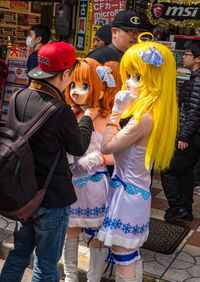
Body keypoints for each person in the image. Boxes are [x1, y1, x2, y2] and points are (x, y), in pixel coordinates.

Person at [0, 42, 97, 282]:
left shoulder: (18, 96)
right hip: (51, 197)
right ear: (65, 74)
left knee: (19, 254)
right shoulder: (60, 110)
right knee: (46, 265)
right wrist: (87, 118)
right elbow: (79, 147)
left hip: (23, 194)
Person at [97, 36, 178, 281]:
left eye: (138, 77)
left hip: (127, 197)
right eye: (129, 75)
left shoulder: (143, 118)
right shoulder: (156, 113)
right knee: (131, 255)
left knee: (124, 259)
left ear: (155, 80)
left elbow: (106, 146)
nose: (130, 83)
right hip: (134, 194)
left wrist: (115, 113)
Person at [63, 58, 122, 282]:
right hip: (70, 188)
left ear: (98, 87)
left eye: (85, 86)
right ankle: (70, 278)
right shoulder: (69, 114)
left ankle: (94, 279)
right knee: (70, 233)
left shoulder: (108, 118)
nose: (77, 91)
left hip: (96, 188)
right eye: (73, 85)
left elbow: (117, 154)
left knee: (98, 237)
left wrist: (99, 158)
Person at [161, 40, 200, 222]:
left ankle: (177, 207)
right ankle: (186, 209)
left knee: (167, 169)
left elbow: (195, 112)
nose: (183, 57)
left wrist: (184, 135)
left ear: (198, 59)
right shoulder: (195, 78)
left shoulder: (198, 81)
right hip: (193, 136)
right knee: (185, 174)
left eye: (187, 54)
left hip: (190, 137)